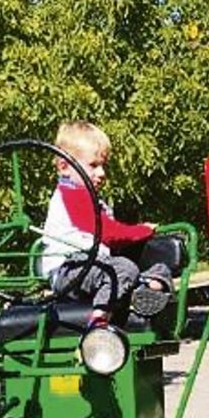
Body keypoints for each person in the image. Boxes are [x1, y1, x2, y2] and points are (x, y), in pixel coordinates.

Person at [38, 120, 176, 324]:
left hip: (92, 266)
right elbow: (107, 232)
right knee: (123, 269)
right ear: (64, 166)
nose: (102, 173)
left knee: (159, 268)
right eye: (93, 165)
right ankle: (99, 321)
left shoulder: (89, 198)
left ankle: (142, 290)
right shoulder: (71, 195)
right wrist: (142, 231)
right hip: (70, 269)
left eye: (103, 165)